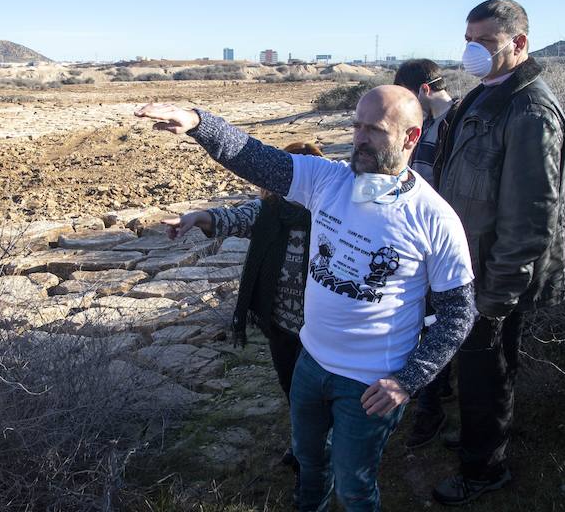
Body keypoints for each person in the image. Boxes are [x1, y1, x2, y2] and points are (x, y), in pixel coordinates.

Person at [136, 85, 476, 512]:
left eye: (375, 130)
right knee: (310, 465)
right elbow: (257, 158)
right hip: (310, 366)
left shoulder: (435, 219)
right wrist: (200, 123)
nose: (360, 139)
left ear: (410, 138)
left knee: (354, 487)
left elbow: (458, 312)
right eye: (356, 126)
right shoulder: (327, 181)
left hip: (372, 383)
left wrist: (407, 381)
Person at [431, 0, 565, 506]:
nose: (473, 51)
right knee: (476, 370)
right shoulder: (485, 94)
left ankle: (483, 468)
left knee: (489, 371)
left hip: (494, 274)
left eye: (485, 43)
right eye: (469, 40)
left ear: (519, 43)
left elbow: (533, 213)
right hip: (467, 262)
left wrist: (497, 294)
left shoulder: (529, 109)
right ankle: (477, 434)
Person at [162, 141, 324, 480]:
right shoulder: (267, 210)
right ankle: (302, 443)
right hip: (281, 325)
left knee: (319, 396)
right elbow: (230, 218)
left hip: (322, 331)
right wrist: (196, 217)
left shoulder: (330, 214)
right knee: (291, 388)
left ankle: (318, 451)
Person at [393, 59, 460, 449]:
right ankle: (437, 387)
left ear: (421, 91)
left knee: (436, 321)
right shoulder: (429, 125)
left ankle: (430, 410)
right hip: (419, 236)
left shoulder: (458, 121)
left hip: (443, 239)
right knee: (426, 316)